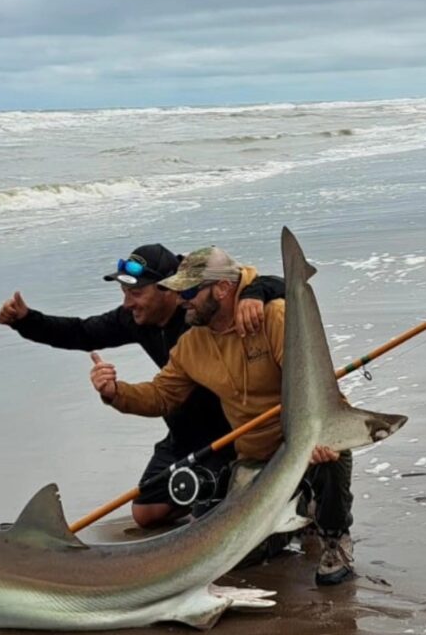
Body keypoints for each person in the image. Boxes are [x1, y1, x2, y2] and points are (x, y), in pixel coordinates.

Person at [88, 246, 357, 586]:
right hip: (254, 461)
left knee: (333, 453)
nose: (181, 300)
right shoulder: (192, 344)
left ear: (222, 289)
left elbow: (318, 390)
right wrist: (115, 393)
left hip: (300, 443)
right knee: (236, 560)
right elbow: (161, 395)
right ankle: (299, 511)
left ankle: (336, 537)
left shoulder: (273, 317)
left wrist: (319, 435)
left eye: (188, 291)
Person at [0, 244, 284, 528]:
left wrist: (255, 292)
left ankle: (227, 497)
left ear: (168, 289)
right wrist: (26, 321)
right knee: (145, 514)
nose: (127, 303)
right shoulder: (142, 321)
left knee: (214, 517)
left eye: (135, 293)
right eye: (124, 294)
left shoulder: (207, 313)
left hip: (227, 434)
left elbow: (269, 285)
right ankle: (209, 496)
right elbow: (83, 332)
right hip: (182, 431)